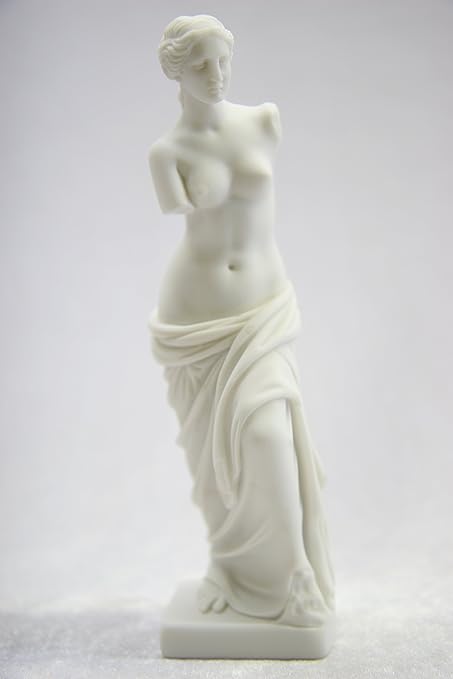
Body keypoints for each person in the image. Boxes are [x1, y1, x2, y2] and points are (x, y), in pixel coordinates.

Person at [149, 14, 334, 626]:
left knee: (268, 436)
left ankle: (296, 576)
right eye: (200, 64)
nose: (217, 74)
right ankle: (228, 565)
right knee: (215, 464)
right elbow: (182, 216)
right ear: (176, 72)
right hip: (196, 319)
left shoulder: (263, 121)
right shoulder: (166, 154)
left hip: (261, 311)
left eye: (223, 60)